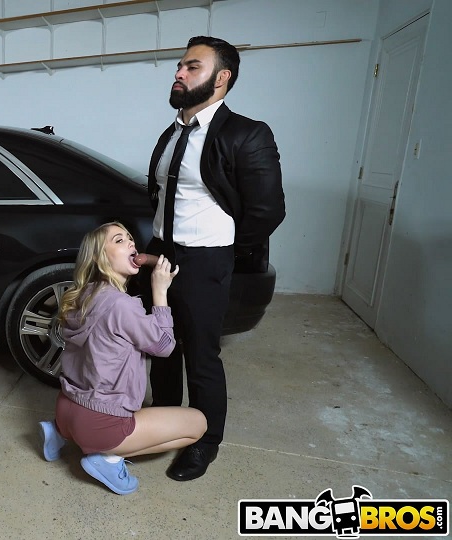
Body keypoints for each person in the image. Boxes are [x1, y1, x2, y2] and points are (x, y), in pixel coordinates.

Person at [145, 36, 286, 481]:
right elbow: (160, 194)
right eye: (180, 66)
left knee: (201, 355)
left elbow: (267, 210)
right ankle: (166, 424)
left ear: (221, 78)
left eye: (192, 67)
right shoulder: (172, 132)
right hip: (161, 255)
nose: (179, 73)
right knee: (162, 347)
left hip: (205, 259)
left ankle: (205, 442)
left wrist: (225, 252)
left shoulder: (247, 133)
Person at [38, 222, 207, 495]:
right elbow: (164, 346)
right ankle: (106, 458)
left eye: (129, 238)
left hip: (66, 408)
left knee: (83, 420)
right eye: (119, 240)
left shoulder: (81, 294)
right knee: (198, 424)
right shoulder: (120, 305)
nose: (131, 243)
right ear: (99, 258)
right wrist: (160, 290)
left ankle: (58, 433)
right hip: (100, 424)